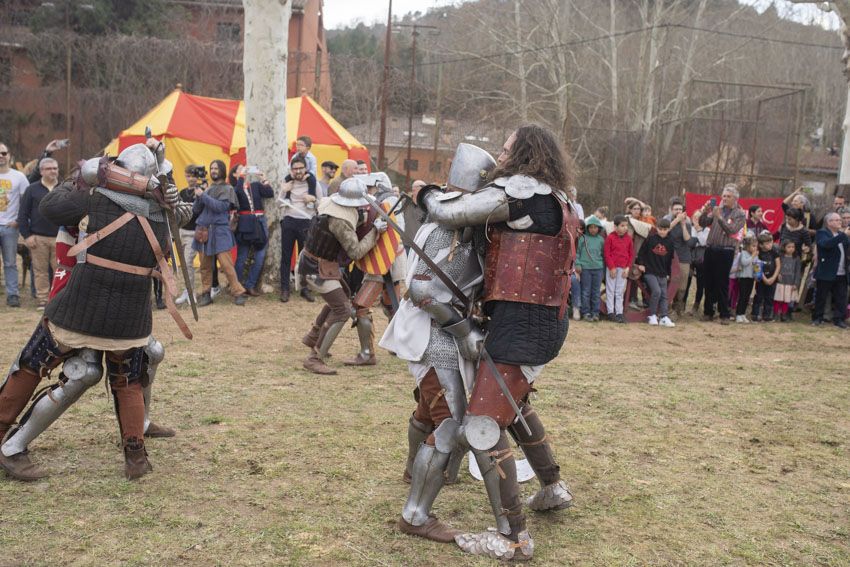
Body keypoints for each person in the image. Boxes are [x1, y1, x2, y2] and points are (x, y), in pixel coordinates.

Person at [413, 125, 578, 561]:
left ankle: (513, 538)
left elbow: (453, 212)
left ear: (524, 153)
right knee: (514, 403)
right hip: (541, 321)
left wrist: (425, 194)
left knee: (483, 427)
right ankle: (553, 488)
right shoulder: (558, 198)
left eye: (507, 149)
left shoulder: (522, 193)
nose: (500, 157)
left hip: (522, 325)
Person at [0, 142, 193, 481]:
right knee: (129, 381)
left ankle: (9, 443)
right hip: (130, 319)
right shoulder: (163, 214)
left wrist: (83, 177)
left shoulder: (95, 198)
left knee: (30, 365)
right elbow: (182, 216)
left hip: (78, 310)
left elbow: (50, 208)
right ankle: (135, 458)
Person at [380, 143, 497, 543]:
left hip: (431, 329)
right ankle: (416, 514)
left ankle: (416, 468)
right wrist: (464, 331)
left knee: (429, 410)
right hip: (437, 334)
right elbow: (423, 290)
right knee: (449, 424)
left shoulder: (447, 220)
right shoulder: (453, 228)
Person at [298, 177, 386, 375]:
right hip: (317, 269)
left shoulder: (328, 203)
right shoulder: (341, 221)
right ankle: (315, 357)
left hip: (317, 263)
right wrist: (375, 232)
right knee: (342, 309)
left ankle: (313, 335)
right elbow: (355, 251)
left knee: (338, 300)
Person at [192, 159, 247, 306]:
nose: (213, 171)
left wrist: (203, 196)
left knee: (226, 264)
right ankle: (205, 294)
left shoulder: (228, 189)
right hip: (203, 230)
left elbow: (220, 207)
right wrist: (199, 196)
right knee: (205, 266)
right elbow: (196, 210)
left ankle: (238, 292)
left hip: (220, 230)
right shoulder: (207, 189)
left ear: (222, 170)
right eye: (212, 168)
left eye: (216, 168)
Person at [698, 184, 746, 324]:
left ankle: (724, 313)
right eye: (723, 196)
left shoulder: (739, 214)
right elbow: (703, 222)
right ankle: (708, 312)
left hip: (726, 251)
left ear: (735, 198)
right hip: (710, 249)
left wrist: (719, 217)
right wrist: (705, 211)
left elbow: (732, 230)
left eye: (728, 196)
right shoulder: (717, 209)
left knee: (722, 283)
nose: (724, 199)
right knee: (708, 282)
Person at [18, 158, 60, 310]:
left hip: (60, 237)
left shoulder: (64, 188)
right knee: (40, 271)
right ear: (41, 171)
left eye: (55, 168)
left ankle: (58, 299)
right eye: (49, 168)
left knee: (60, 271)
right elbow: (22, 214)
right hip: (38, 237)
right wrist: (27, 235)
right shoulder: (32, 190)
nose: (53, 171)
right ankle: (43, 299)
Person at [278, 156, 318, 303]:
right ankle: (285, 289)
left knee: (305, 258)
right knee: (286, 256)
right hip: (289, 221)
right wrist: (283, 191)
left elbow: (322, 203)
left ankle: (304, 288)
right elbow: (278, 203)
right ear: (291, 170)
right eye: (295, 168)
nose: (298, 171)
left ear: (305, 169)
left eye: (301, 168)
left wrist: (313, 199)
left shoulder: (313, 183)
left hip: (306, 222)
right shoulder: (287, 182)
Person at [232, 166, 274, 296]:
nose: (244, 170)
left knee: (260, 254)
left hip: (259, 220)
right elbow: (238, 191)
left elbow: (269, 193)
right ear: (235, 174)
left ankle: (250, 285)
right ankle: (237, 286)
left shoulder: (255, 185)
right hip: (244, 221)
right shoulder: (234, 188)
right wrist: (241, 177)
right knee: (242, 256)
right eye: (240, 169)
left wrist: (264, 179)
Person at [0, 141, 28, 307]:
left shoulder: (19, 177)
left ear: (9, 155)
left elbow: (25, 203)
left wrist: (18, 221)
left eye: (3, 153)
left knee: (10, 263)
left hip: (9, 227)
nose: (1, 157)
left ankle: (12, 295)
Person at [811, 212, 850, 328]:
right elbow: (826, 245)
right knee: (821, 296)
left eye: (840, 220)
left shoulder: (841, 234)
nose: (840, 222)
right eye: (837, 220)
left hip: (842, 271)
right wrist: (843, 235)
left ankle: (839, 319)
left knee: (841, 298)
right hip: (826, 271)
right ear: (829, 222)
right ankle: (817, 318)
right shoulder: (822, 233)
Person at [636, 218, 676, 327]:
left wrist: (668, 273)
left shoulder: (670, 242)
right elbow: (641, 253)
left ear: (668, 229)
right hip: (650, 271)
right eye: (660, 229)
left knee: (664, 295)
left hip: (662, 272)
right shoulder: (651, 239)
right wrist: (641, 264)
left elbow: (669, 259)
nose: (662, 231)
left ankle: (663, 317)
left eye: (665, 229)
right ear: (657, 228)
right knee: (657, 291)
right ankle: (652, 315)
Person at [175, 165, 206, 305]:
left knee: (188, 262)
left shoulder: (201, 192)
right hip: (182, 231)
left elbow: (200, 210)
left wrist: (201, 193)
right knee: (183, 263)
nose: (191, 178)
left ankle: (191, 291)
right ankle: (186, 290)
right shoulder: (182, 192)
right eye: (188, 175)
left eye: (193, 176)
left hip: (193, 232)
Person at [663, 198, 694, 318]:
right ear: (671, 210)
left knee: (682, 285)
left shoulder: (686, 223)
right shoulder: (667, 220)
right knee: (670, 282)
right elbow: (665, 231)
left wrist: (683, 225)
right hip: (670, 257)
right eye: (676, 209)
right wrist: (676, 220)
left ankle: (678, 307)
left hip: (683, 257)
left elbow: (687, 239)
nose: (678, 211)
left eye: (680, 209)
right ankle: (668, 308)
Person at [604, 215, 634, 323]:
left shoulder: (628, 239)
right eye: (622, 225)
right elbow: (607, 254)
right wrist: (611, 267)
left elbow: (631, 254)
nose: (625, 228)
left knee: (620, 291)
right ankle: (610, 312)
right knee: (611, 290)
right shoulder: (610, 238)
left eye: (626, 226)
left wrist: (628, 268)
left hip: (623, 269)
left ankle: (619, 313)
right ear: (615, 226)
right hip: (612, 269)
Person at [577, 215, 605, 322]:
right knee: (586, 291)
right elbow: (577, 253)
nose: (593, 229)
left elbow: (603, 254)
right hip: (586, 269)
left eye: (595, 227)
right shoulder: (583, 239)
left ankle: (595, 313)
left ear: (599, 228)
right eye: (591, 227)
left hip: (598, 268)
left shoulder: (601, 240)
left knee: (596, 292)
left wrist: (603, 268)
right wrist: (578, 264)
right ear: (588, 228)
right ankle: (586, 313)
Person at [752, 232, 781, 322]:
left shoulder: (774, 252)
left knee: (769, 297)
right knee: (759, 297)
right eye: (767, 243)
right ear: (761, 245)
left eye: (771, 242)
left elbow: (778, 265)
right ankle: (755, 315)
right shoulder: (758, 253)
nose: (770, 245)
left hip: (772, 279)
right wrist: (764, 279)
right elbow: (757, 266)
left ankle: (767, 315)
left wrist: (773, 278)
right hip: (761, 279)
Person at [773, 240, 801, 322]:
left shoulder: (796, 258)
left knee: (787, 299)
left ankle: (784, 314)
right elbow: (776, 266)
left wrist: (796, 283)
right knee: (778, 298)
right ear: (784, 247)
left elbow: (797, 271)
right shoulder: (780, 256)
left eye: (793, 247)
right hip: (781, 281)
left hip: (790, 282)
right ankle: (776, 313)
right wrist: (777, 274)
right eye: (789, 247)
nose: (791, 249)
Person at [734, 236, 757, 324]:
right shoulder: (743, 253)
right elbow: (744, 263)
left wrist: (756, 273)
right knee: (742, 296)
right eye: (753, 246)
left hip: (751, 278)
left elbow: (755, 265)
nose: (755, 248)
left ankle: (743, 314)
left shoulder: (754, 255)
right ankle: (738, 314)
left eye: (756, 246)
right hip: (743, 278)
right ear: (747, 246)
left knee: (747, 297)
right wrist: (752, 257)